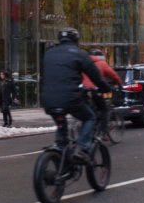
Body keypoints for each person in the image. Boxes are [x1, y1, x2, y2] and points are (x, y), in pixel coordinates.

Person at [41, 27, 112, 164]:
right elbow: (96, 77)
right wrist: (106, 88)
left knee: (61, 122)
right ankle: (82, 148)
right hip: (70, 98)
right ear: (76, 40)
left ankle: (60, 151)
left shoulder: (49, 53)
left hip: (48, 99)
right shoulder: (79, 54)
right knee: (90, 117)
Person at [81, 48, 123, 138]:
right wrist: (119, 83)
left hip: (82, 89)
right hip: (94, 89)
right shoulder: (101, 63)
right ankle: (103, 132)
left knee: (88, 110)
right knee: (104, 109)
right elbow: (113, 75)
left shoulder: (84, 62)